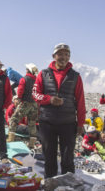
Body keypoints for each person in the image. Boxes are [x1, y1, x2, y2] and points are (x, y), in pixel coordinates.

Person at [32, 43, 86, 178]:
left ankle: (68, 184)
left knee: (67, 158)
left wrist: (80, 123)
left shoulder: (75, 76)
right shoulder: (43, 74)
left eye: (67, 54)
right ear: (54, 56)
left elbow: (80, 101)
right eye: (61, 54)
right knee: (49, 158)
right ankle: (50, 183)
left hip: (68, 123)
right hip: (47, 122)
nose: (64, 57)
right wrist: (49, 99)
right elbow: (35, 94)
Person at [7, 63, 39, 149]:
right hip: (35, 104)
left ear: (28, 70)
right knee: (32, 123)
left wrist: (19, 99)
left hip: (25, 103)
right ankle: (32, 144)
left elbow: (20, 91)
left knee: (14, 119)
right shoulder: (37, 80)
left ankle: (10, 139)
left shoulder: (24, 79)